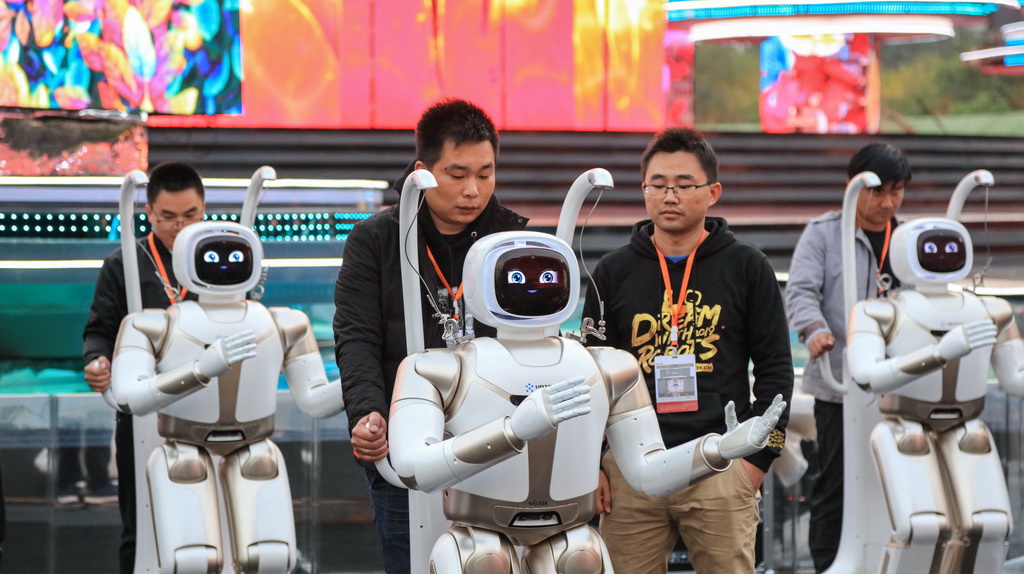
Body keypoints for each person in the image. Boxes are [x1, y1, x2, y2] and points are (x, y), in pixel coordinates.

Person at [583, 127, 793, 574]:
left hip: (721, 459)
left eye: (684, 185)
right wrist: (592, 465)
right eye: (657, 185)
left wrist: (758, 460)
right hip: (631, 468)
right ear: (644, 190)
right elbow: (593, 378)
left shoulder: (748, 267)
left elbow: (776, 370)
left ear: (713, 192)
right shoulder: (613, 272)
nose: (669, 196)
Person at [333, 98, 528, 574]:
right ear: (423, 171)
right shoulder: (377, 239)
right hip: (407, 445)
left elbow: (537, 345)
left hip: (497, 443)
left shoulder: (512, 241)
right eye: (456, 174)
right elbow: (357, 338)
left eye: (485, 173)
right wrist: (367, 413)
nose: (473, 190)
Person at [783, 142, 911, 573]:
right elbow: (801, 291)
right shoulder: (822, 233)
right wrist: (815, 330)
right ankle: (828, 565)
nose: (887, 203)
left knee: (898, 482)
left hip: (899, 389)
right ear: (853, 187)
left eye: (896, 192)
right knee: (836, 485)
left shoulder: (907, 239)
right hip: (839, 387)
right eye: (878, 192)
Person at [82, 161, 206, 574]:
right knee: (142, 522)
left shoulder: (219, 258)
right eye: (167, 217)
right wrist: (97, 361)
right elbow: (100, 329)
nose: (178, 226)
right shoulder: (124, 263)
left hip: (209, 408)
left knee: (209, 519)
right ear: (149, 213)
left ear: (204, 208)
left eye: (190, 215)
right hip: (143, 411)